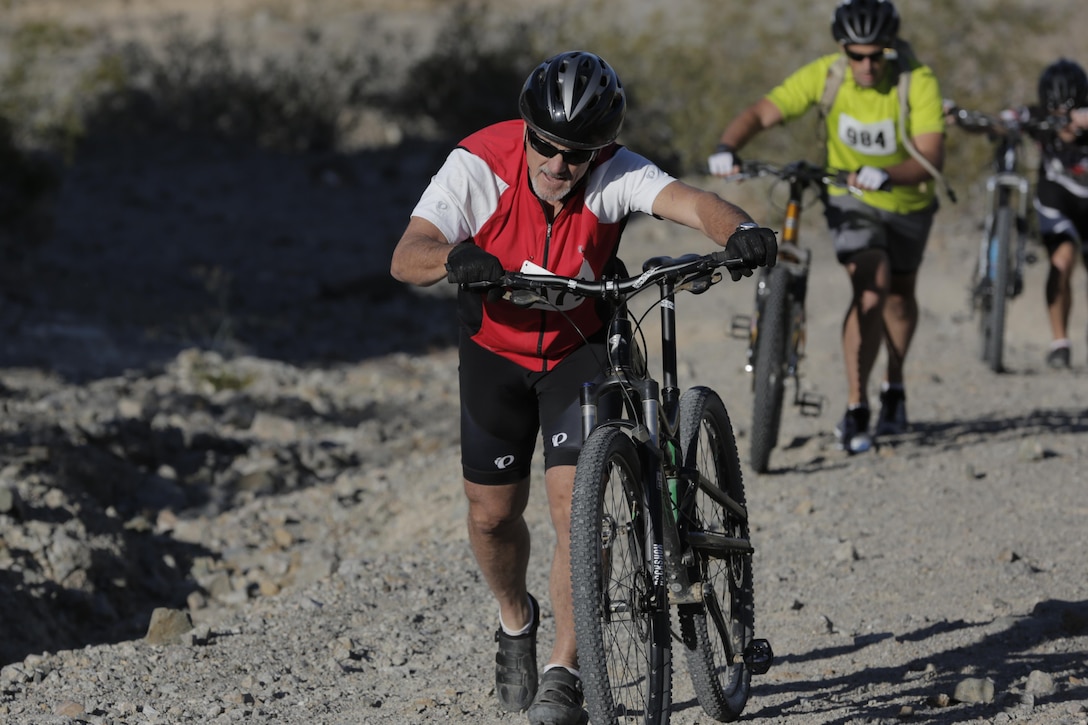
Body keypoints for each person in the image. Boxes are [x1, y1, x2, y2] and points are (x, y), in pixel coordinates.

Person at [389, 50, 777, 725]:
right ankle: (516, 619)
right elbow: (407, 252)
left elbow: (693, 202)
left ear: (599, 149)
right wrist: (459, 257)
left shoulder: (612, 173)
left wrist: (740, 229)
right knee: (491, 515)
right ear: (526, 127)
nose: (558, 164)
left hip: (579, 351)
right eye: (546, 144)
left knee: (577, 507)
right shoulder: (478, 164)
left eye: (576, 152)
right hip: (495, 355)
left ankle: (564, 672)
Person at [707, 0, 947, 454]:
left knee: (899, 297)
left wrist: (889, 174)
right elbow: (762, 112)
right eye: (856, 55)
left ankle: (893, 388)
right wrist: (728, 145)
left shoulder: (918, 80)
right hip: (849, 198)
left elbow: (932, 158)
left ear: (890, 49)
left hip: (909, 201)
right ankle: (857, 406)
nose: (867, 65)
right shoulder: (827, 74)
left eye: (877, 54)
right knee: (871, 287)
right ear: (843, 50)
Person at [1029, 59, 1088, 369]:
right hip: (1056, 202)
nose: (1064, 122)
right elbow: (1002, 122)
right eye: (1056, 114)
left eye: (1072, 112)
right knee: (1061, 261)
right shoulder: (1038, 119)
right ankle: (1060, 343)